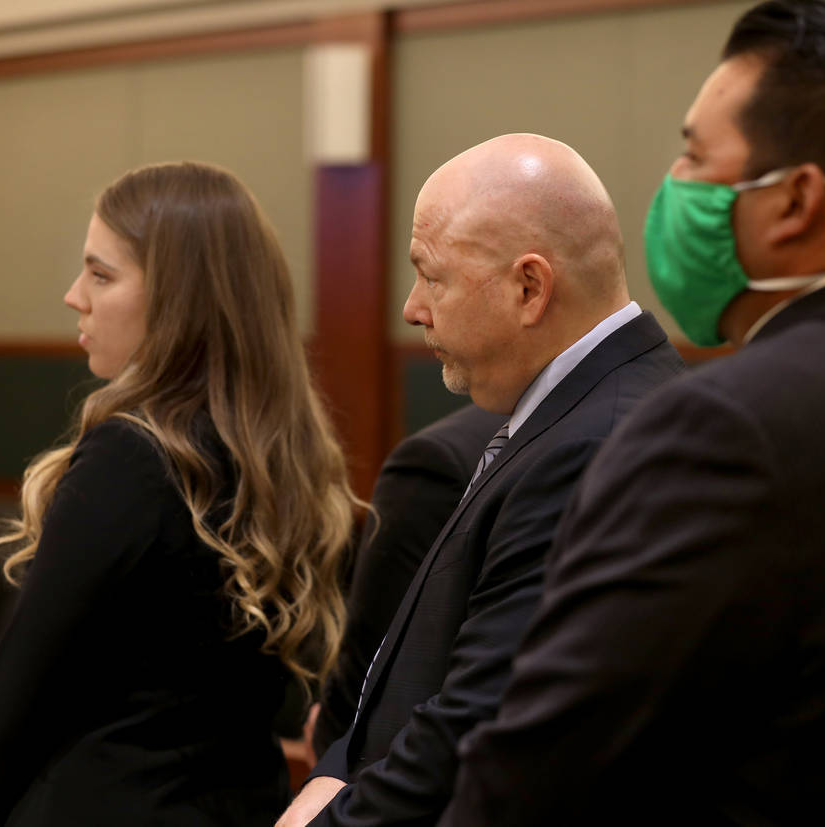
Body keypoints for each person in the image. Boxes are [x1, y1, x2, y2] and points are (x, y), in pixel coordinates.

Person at [441, 3, 825, 825]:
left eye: (696, 154)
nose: (674, 184)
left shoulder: (725, 429)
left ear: (796, 200)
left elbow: (538, 775)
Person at [0, 161, 359, 827]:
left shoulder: (133, 453)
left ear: (179, 298)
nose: (75, 295)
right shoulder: (287, 460)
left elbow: (25, 679)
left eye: (101, 274)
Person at [276, 133, 684, 826]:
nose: (412, 307)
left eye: (432, 276)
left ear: (529, 287)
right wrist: (337, 769)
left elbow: (476, 723)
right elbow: (409, 674)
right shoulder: (568, 408)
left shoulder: (596, 442)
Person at [309, 403, 506, 759]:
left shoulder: (435, 461)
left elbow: (370, 672)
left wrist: (328, 765)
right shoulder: (629, 409)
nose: (431, 343)